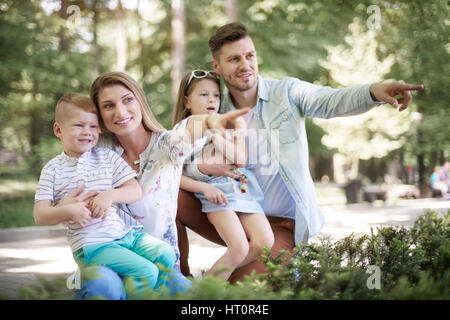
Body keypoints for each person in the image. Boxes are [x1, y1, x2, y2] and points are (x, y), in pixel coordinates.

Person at [176, 22, 424, 282]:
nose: (245, 65)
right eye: (234, 59)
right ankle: (179, 279)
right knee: (173, 194)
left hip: (281, 224)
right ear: (217, 67)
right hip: (236, 214)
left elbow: (330, 101)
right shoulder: (214, 106)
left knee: (246, 290)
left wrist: (374, 91)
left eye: (250, 56)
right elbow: (182, 160)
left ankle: (278, 264)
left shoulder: (287, 93)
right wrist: (204, 169)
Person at [66, 71, 249, 299]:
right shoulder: (96, 154)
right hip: (110, 265)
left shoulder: (165, 148)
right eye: (108, 105)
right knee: (104, 288)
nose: (120, 112)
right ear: (100, 115)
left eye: (127, 100)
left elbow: (185, 131)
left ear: (140, 101)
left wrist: (210, 121)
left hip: (160, 266)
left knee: (190, 298)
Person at [34, 93, 177, 298]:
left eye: (93, 127)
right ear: (58, 130)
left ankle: (144, 292)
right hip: (93, 244)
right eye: (79, 126)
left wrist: (109, 196)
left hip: (125, 235)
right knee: (147, 271)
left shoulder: (107, 157)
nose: (87, 132)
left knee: (166, 253)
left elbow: (134, 190)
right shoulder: (52, 170)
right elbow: (40, 215)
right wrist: (68, 210)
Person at [173, 70, 274, 279]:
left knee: (264, 242)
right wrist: (205, 187)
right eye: (203, 94)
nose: (212, 99)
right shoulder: (184, 132)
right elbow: (175, 175)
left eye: (216, 95)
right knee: (238, 247)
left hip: (243, 191)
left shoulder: (228, 125)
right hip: (216, 194)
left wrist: (217, 136)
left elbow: (240, 159)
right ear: (187, 101)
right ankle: (205, 294)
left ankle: (208, 278)